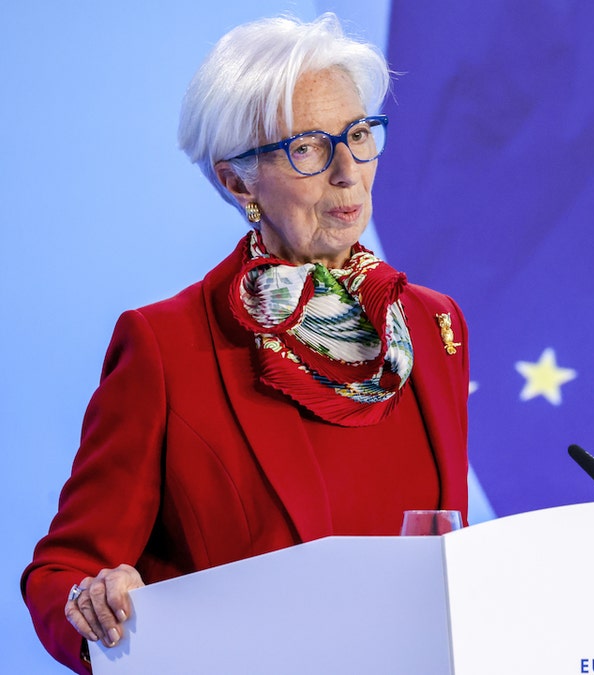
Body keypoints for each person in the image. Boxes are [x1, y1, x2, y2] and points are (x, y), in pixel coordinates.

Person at [21, 14, 470, 673]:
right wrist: (97, 604)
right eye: (310, 149)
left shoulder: (436, 327)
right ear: (237, 182)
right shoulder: (165, 347)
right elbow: (63, 571)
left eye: (358, 135)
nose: (348, 171)